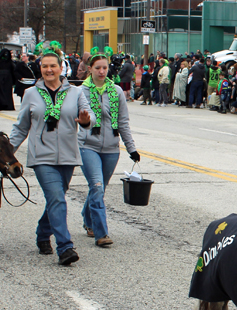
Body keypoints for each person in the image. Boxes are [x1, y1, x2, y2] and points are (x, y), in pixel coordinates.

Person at [9, 48, 95, 265]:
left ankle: (42, 233)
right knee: (57, 198)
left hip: (68, 155)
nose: (49, 70)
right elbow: (21, 127)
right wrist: (8, 151)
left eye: (53, 66)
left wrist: (85, 120)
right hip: (42, 156)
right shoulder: (31, 94)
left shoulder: (76, 92)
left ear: (60, 68)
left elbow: (89, 117)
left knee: (55, 200)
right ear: (40, 68)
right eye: (45, 66)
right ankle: (65, 247)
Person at [78, 52, 140, 247]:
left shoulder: (116, 91)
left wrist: (131, 148)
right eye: (98, 68)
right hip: (88, 146)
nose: (102, 71)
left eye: (105, 68)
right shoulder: (81, 92)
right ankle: (101, 233)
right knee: (96, 186)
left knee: (99, 189)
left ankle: (87, 218)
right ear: (90, 69)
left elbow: (123, 122)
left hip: (112, 149)